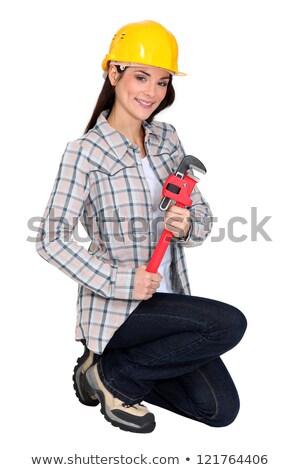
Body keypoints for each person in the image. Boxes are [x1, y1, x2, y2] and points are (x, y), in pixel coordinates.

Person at [36, 20, 247, 434]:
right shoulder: (85, 152)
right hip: (118, 311)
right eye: (141, 76)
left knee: (219, 411)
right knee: (228, 323)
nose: (152, 92)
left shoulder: (168, 140)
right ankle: (117, 377)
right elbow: (50, 239)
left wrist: (186, 225)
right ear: (113, 74)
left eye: (163, 82)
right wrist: (121, 281)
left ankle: (107, 373)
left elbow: (202, 221)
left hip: (169, 303)